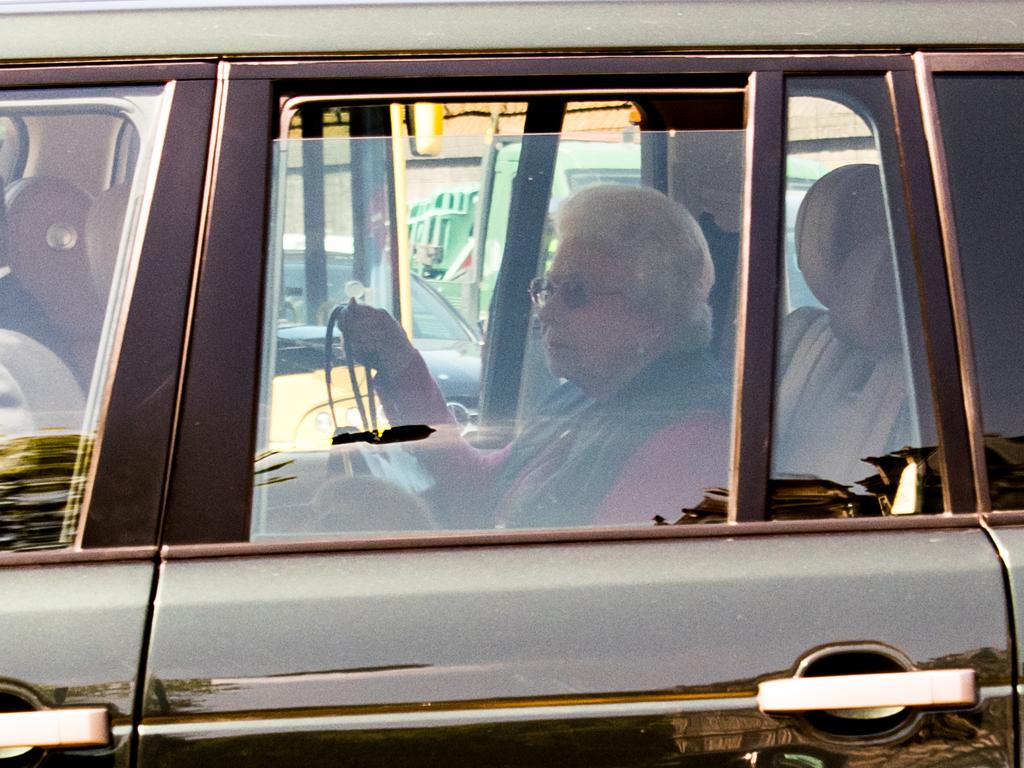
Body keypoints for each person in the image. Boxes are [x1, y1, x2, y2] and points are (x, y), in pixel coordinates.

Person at [340, 184, 729, 529]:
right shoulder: (585, 396)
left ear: (652, 316)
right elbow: (487, 487)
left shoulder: (689, 438)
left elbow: (585, 584)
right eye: (548, 289)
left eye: (575, 293)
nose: (546, 312)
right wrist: (402, 362)